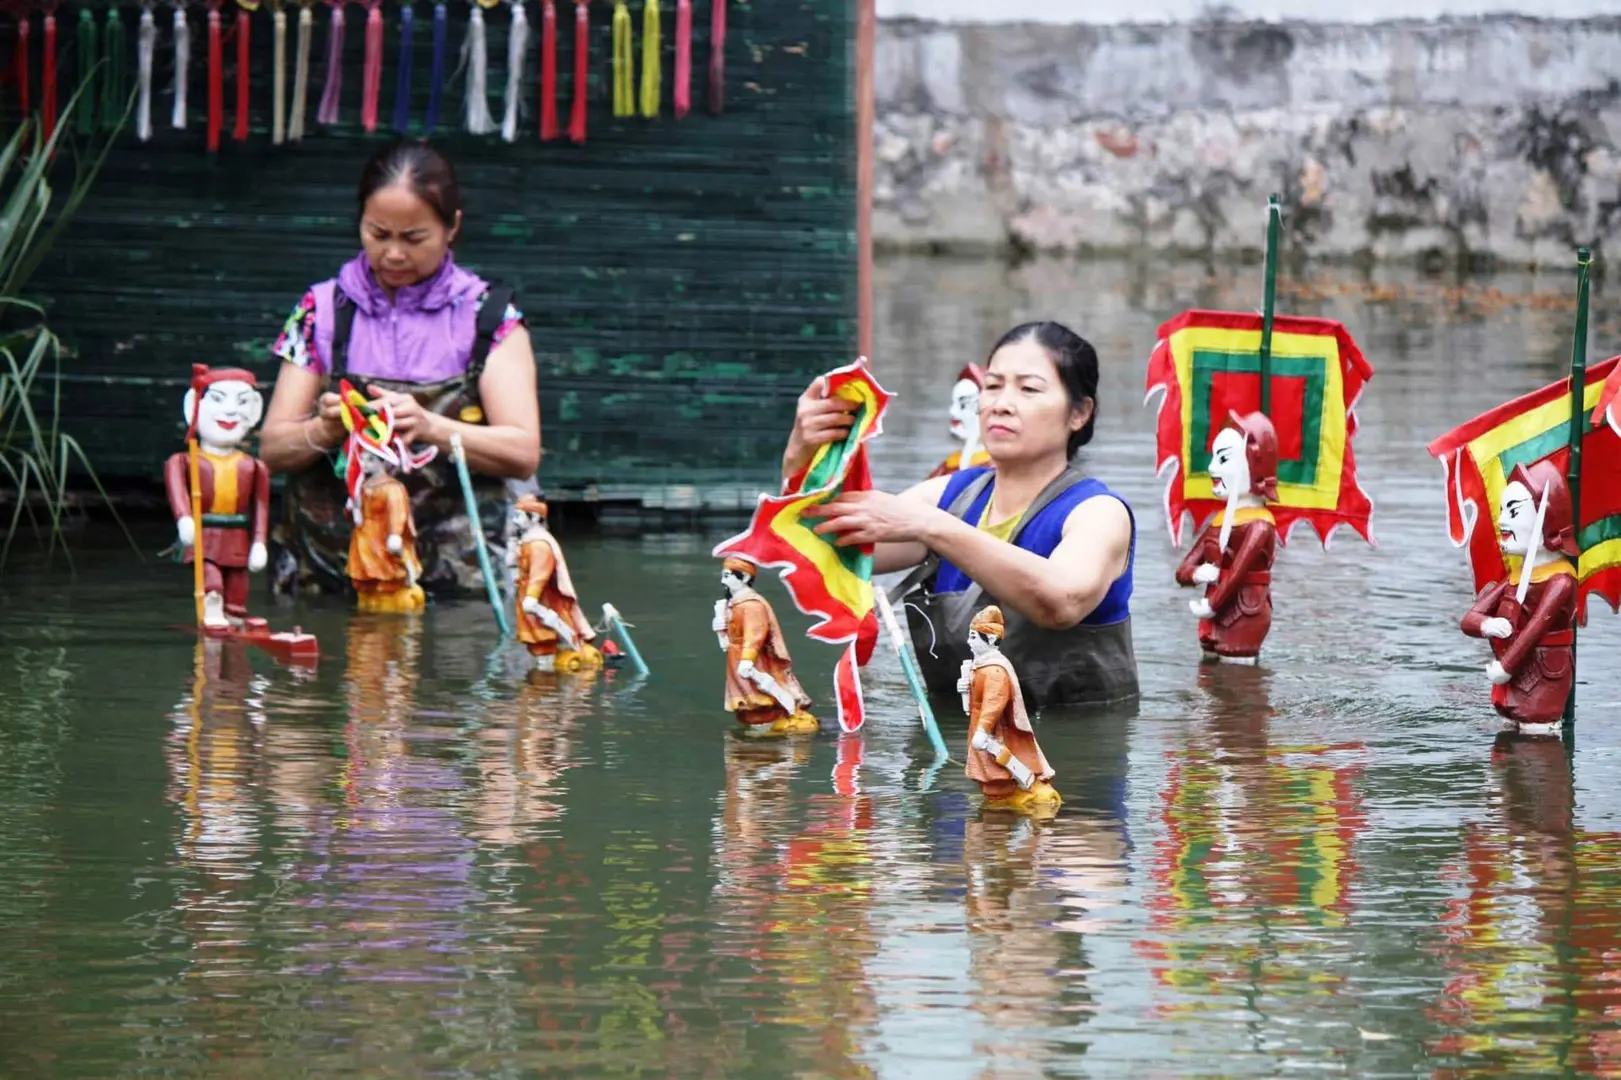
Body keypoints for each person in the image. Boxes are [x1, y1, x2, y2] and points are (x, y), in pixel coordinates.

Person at [790, 321, 1138, 709]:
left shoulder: (1098, 513)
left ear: (1079, 413)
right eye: (992, 386)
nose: (1000, 404)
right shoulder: (952, 496)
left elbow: (1060, 602)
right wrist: (803, 456)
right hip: (956, 746)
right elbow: (819, 553)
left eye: (1029, 389)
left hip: (1073, 756)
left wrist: (931, 527)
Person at [258, 139, 542, 599]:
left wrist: (430, 426)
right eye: (377, 234)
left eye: (413, 238)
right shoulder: (321, 310)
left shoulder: (492, 318)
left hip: (461, 587)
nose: (393, 254)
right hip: (328, 578)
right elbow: (271, 450)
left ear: (452, 227)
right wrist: (326, 429)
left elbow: (523, 451)